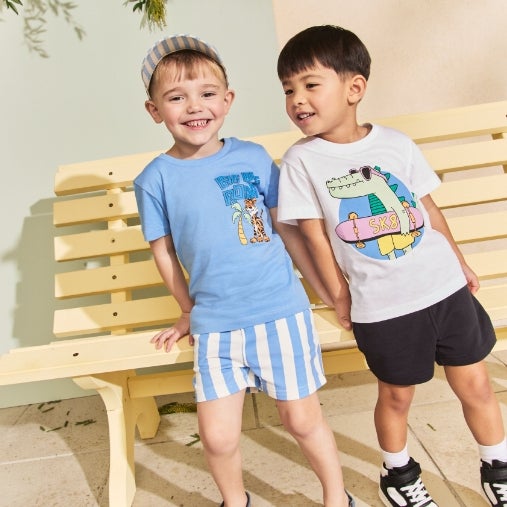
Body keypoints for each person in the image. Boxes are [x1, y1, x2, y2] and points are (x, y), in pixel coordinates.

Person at [276, 24, 507, 507]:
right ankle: (398, 473)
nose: (297, 99)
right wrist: (338, 295)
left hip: (444, 289)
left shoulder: (395, 144)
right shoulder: (301, 161)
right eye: (288, 89)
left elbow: (428, 209)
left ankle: (498, 467)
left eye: (310, 84)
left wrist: (460, 263)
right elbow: (314, 236)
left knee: (477, 385)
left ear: (354, 88)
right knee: (397, 396)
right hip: (384, 306)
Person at [134, 34, 355, 507]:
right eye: (177, 97)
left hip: (279, 313)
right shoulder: (154, 180)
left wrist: (328, 291)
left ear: (227, 100)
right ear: (154, 110)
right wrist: (187, 310)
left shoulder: (253, 158)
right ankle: (237, 501)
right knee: (217, 437)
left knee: (302, 421)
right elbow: (164, 252)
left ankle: (337, 496)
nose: (195, 107)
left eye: (207, 93)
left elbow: (289, 233)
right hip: (216, 326)